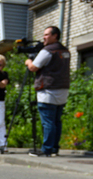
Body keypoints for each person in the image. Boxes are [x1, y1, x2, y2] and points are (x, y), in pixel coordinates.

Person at [25, 26, 70, 157]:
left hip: (48, 92)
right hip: (62, 91)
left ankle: (47, 149)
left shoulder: (48, 51)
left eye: (46, 35)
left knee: (48, 122)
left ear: (55, 36)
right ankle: (54, 148)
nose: (44, 37)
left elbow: (33, 67)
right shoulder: (65, 51)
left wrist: (28, 61)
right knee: (56, 121)